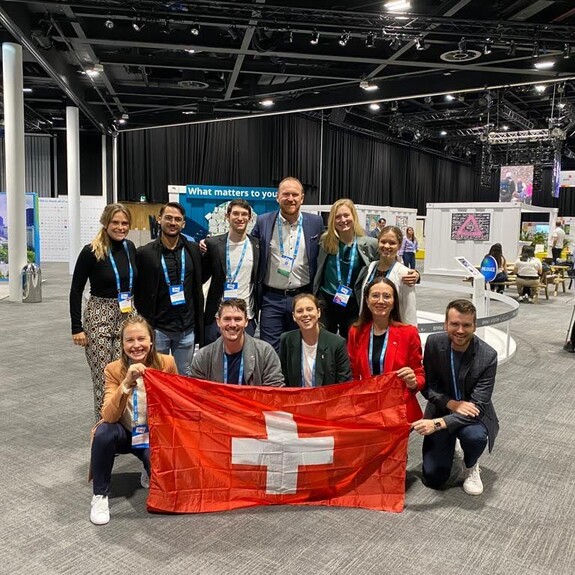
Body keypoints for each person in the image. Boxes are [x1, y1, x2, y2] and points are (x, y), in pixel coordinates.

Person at [89, 316, 178, 525]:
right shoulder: (113, 369)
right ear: (122, 344)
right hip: (124, 431)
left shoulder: (167, 363)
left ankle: (148, 468)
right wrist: (127, 383)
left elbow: (174, 404)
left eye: (141, 339)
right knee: (103, 432)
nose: (136, 345)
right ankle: (100, 495)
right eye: (129, 340)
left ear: (151, 341)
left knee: (165, 490)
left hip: (152, 435)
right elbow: (108, 415)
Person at [412, 299, 499, 496]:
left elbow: (479, 406)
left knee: (475, 437)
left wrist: (437, 424)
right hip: (441, 408)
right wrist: (451, 404)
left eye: (466, 325)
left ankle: (471, 463)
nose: (460, 330)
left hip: (473, 415)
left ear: (475, 326)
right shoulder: (434, 343)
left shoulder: (488, 356)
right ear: (445, 324)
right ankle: (450, 448)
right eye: (454, 324)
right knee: (434, 478)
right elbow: (428, 387)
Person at [69, 203, 138, 421]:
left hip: (127, 315)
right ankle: (104, 428)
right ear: (105, 223)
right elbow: (76, 289)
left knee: (124, 375)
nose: (120, 227)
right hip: (100, 315)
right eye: (115, 222)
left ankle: (122, 424)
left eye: (124, 223)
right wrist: (76, 327)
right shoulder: (91, 251)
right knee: (103, 376)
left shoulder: (130, 248)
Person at [251, 177, 324, 352]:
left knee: (300, 348)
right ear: (277, 197)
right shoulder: (263, 221)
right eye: (285, 194)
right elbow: (247, 245)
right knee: (269, 350)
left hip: (303, 297)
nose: (290, 198)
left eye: (294, 194)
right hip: (271, 299)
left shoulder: (315, 223)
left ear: (302, 198)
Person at [135, 202, 204, 376]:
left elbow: (200, 279)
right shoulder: (145, 253)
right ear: (159, 219)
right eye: (168, 218)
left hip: (186, 328)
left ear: (183, 224)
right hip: (158, 328)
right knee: (157, 375)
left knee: (184, 375)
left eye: (178, 219)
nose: (173, 222)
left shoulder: (193, 250)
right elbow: (138, 286)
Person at [347, 277, 424, 423]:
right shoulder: (355, 332)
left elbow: (419, 374)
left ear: (394, 301)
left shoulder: (408, 333)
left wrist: (413, 381)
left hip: (398, 409)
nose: (381, 301)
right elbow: (353, 374)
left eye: (387, 296)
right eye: (375, 295)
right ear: (367, 301)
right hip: (366, 408)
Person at [313, 199, 378, 339]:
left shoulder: (369, 244)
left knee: (353, 342)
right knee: (324, 343)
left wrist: (413, 274)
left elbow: (389, 264)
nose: (343, 220)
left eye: (346, 215)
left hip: (353, 303)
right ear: (332, 220)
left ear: (353, 216)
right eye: (338, 217)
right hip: (327, 301)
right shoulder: (325, 242)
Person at [202, 199, 259, 345]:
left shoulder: (258, 246)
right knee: (214, 363)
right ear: (227, 217)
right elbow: (202, 276)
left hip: (247, 317)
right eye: (236, 214)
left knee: (244, 364)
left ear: (250, 218)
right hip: (218, 317)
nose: (240, 218)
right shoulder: (213, 244)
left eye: (244, 214)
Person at [190, 298, 284, 386]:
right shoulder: (203, 357)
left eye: (238, 319)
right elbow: (195, 393)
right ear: (218, 322)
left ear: (246, 322)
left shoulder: (265, 353)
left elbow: (274, 392)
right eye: (227, 319)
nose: (232, 324)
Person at [280, 293, 352, 387]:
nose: (305, 314)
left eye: (309, 309)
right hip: (297, 400)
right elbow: (283, 379)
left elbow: (344, 383)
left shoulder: (337, 343)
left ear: (318, 312)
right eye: (300, 311)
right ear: (294, 316)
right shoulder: (286, 340)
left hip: (328, 399)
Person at [358, 225, 419, 326]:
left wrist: (410, 336)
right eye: (383, 242)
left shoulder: (405, 274)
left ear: (399, 246)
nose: (386, 246)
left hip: (393, 331)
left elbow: (409, 310)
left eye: (392, 243)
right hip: (368, 327)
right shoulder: (371, 267)